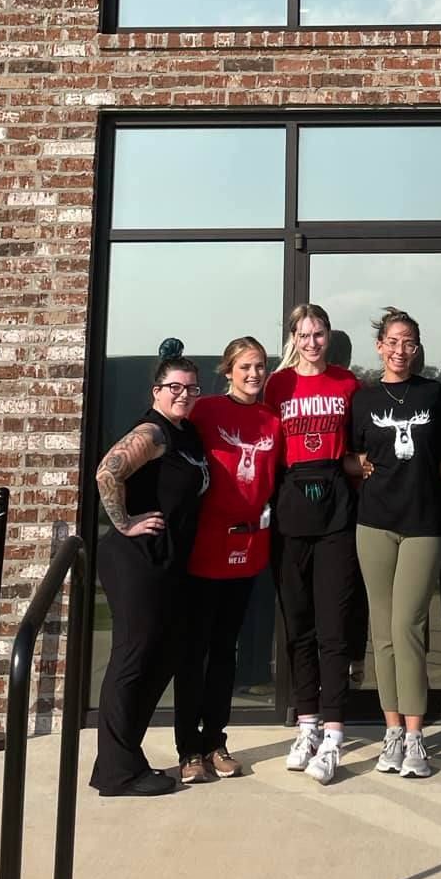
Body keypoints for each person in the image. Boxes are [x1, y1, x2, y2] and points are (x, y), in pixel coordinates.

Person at [91, 340, 210, 797]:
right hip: (135, 561)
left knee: (162, 658)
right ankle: (119, 774)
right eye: (174, 387)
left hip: (167, 563)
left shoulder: (187, 433)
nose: (184, 394)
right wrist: (124, 523)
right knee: (133, 659)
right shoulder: (154, 432)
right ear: (156, 391)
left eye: (192, 387)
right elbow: (107, 471)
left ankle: (119, 761)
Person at [175, 336, 281, 784]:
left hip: (248, 550)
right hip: (203, 548)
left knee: (225, 652)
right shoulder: (205, 411)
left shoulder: (272, 420)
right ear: (228, 371)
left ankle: (216, 740)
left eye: (259, 366)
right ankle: (188, 750)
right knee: (194, 651)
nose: (254, 374)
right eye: (245, 367)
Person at [264, 302, 360, 784]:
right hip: (292, 499)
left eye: (319, 333)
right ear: (293, 339)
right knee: (298, 623)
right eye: (304, 335)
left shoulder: (347, 383)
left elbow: (360, 448)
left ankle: (335, 733)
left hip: (337, 504)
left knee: (333, 625)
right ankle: (307, 724)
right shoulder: (277, 386)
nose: (312, 342)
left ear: (328, 336)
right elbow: (266, 447)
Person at [353, 306, 441, 780]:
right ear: (379, 346)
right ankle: (390, 729)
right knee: (382, 631)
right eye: (393, 341)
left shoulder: (433, 392)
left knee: (408, 625)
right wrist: (361, 468)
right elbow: (353, 455)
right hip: (374, 523)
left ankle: (416, 735)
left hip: (423, 524)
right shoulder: (364, 398)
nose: (401, 350)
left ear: (417, 346)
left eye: (409, 341)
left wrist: (429, 491)